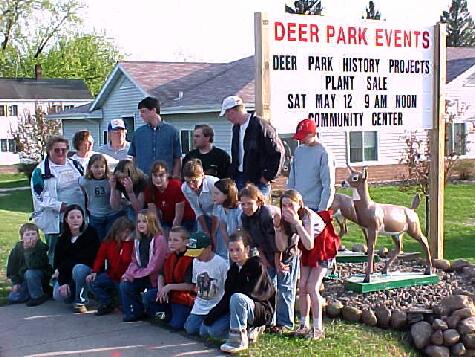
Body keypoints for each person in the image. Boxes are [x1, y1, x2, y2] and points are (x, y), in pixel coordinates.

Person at [274, 189, 339, 340]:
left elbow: (309, 243)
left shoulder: (307, 216)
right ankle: (304, 324)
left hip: (322, 246)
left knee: (312, 287)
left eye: (291, 205)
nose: (287, 209)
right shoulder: (285, 219)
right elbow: (282, 246)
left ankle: (318, 328)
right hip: (307, 248)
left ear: (299, 204)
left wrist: (297, 224)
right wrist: (278, 229)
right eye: (284, 205)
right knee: (302, 286)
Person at [201, 230, 275, 353]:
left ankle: (239, 340)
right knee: (210, 330)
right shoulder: (233, 271)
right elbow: (226, 298)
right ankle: (246, 332)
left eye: (238, 250)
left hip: (258, 310)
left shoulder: (257, 266)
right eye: (231, 250)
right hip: (237, 309)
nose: (234, 254)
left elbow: (252, 294)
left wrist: (235, 297)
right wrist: (211, 316)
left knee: (237, 298)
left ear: (247, 249)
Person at [240, 184, 298, 332]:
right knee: (268, 287)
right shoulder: (245, 217)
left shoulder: (267, 213)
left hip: (285, 252)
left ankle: (285, 323)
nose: (246, 207)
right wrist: (264, 259)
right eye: (243, 204)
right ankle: (268, 321)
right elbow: (255, 241)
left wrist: (277, 261)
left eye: (249, 203)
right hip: (266, 252)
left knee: (285, 288)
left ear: (259, 202)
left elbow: (277, 241)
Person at [31, 135, 85, 265]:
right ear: (49, 151)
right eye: (57, 150)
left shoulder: (75, 165)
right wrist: (61, 206)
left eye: (64, 149)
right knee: (55, 254)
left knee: (79, 251)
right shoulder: (40, 171)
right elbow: (39, 196)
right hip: (56, 220)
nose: (61, 153)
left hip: (78, 217)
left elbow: (85, 183)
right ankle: (56, 281)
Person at [220, 95, 284, 196]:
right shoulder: (236, 128)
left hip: (258, 180)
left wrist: (268, 176)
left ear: (232, 111)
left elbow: (277, 152)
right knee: (242, 209)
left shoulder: (260, 125)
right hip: (240, 178)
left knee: (258, 209)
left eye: (227, 114)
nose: (227, 118)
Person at [119, 209, 168, 322]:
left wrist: (138, 274)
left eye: (144, 221)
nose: (140, 224)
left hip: (155, 278)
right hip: (141, 275)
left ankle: (158, 313)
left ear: (151, 223)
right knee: (125, 284)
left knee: (149, 296)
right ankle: (134, 312)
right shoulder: (138, 240)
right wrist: (129, 274)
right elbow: (134, 261)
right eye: (139, 221)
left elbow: (156, 264)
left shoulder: (159, 239)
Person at [143, 226, 196, 329]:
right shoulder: (170, 256)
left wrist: (169, 287)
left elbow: (190, 286)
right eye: (170, 240)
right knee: (148, 296)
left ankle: (176, 317)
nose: (171, 243)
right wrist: (161, 289)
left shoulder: (191, 259)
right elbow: (161, 274)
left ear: (186, 242)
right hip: (168, 293)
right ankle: (163, 316)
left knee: (176, 325)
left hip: (183, 296)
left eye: (175, 240)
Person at [53, 204, 100, 313]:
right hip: (68, 274)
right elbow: (58, 263)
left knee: (79, 268)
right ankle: (72, 293)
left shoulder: (90, 233)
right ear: (66, 219)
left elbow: (88, 258)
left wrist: (68, 263)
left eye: (79, 217)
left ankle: (81, 301)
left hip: (87, 271)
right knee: (58, 295)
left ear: (83, 218)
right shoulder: (62, 238)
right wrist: (64, 282)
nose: (76, 220)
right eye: (72, 217)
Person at [86, 216, 135, 316]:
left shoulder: (131, 244)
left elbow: (126, 259)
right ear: (117, 231)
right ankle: (107, 303)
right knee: (92, 282)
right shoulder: (108, 243)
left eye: (128, 231)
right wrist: (94, 271)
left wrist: (127, 243)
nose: (126, 234)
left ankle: (121, 301)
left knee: (125, 307)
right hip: (111, 275)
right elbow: (100, 258)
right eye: (124, 231)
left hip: (124, 278)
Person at [183, 231, 228, 336]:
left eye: (199, 253)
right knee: (190, 329)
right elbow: (196, 283)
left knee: (204, 332)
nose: (197, 257)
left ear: (208, 248)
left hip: (216, 304)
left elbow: (227, 286)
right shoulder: (195, 262)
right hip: (200, 305)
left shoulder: (221, 264)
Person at [287, 119, 335, 212]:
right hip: (296, 204)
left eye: (304, 137)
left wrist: (322, 210)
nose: (301, 140)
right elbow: (292, 178)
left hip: (314, 207)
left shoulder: (324, 153)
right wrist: (288, 199)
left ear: (312, 134)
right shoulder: (298, 151)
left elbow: (328, 185)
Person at [129, 96, 181, 176]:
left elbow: (177, 158)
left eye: (143, 111)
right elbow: (134, 158)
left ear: (153, 110)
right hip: (143, 180)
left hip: (165, 179)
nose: (141, 115)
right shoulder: (138, 133)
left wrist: (175, 178)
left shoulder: (172, 132)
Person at [79, 154, 125, 241]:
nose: (99, 170)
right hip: (96, 216)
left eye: (102, 167)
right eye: (96, 167)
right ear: (90, 168)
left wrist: (113, 186)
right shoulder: (85, 181)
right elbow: (82, 189)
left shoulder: (110, 180)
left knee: (111, 240)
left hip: (111, 214)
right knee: (98, 241)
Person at [7, 223, 52, 307]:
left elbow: (33, 266)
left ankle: (37, 296)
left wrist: (29, 250)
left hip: (38, 276)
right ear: (22, 237)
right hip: (23, 278)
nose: (30, 237)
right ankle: (42, 293)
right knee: (13, 298)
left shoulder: (40, 247)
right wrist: (16, 282)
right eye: (27, 234)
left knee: (30, 273)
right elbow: (12, 267)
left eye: (33, 234)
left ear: (38, 236)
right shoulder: (17, 248)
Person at [144, 160, 196, 234]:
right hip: (168, 219)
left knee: (178, 239)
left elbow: (179, 216)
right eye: (155, 176)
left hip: (186, 218)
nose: (158, 179)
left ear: (167, 175)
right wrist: (159, 230)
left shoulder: (176, 186)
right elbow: (154, 215)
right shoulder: (149, 189)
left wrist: (172, 234)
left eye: (161, 175)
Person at [181, 159, 219, 237]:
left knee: (218, 239)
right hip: (205, 216)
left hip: (220, 215)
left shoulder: (213, 184)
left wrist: (213, 233)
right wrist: (206, 232)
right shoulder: (184, 188)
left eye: (194, 181)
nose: (191, 186)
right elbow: (197, 210)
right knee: (202, 238)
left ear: (202, 176)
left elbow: (218, 209)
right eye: (188, 182)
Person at [211, 178, 242, 261]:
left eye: (217, 193)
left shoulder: (239, 210)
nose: (213, 196)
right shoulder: (219, 208)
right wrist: (230, 248)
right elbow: (223, 228)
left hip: (242, 244)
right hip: (231, 244)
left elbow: (241, 232)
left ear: (227, 195)